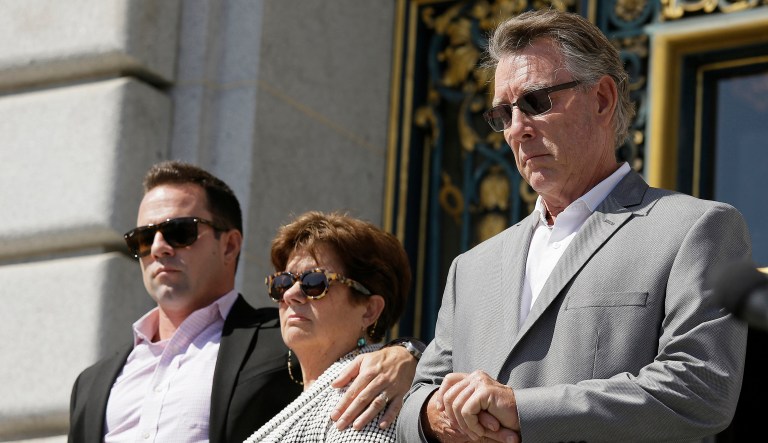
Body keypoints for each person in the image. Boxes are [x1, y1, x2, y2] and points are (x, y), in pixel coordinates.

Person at [397, 9, 751, 443]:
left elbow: (701, 389)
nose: (517, 130)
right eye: (503, 114)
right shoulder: (470, 268)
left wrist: (520, 410)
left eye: (535, 102)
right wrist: (436, 416)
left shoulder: (696, 228)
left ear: (602, 99)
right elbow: (414, 404)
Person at [68, 161, 420, 443]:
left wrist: (409, 353)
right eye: (143, 238)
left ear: (230, 245)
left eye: (180, 231)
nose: (159, 247)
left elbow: (349, 347)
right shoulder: (93, 383)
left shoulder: (281, 339)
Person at [243, 211, 412, 443]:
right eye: (282, 283)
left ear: (370, 310)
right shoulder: (319, 393)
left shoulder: (370, 394)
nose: (291, 295)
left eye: (314, 282)